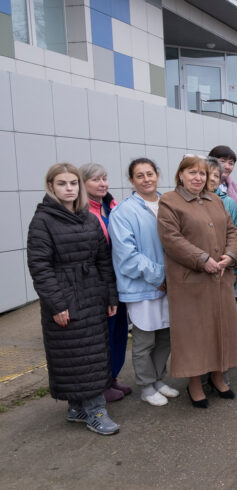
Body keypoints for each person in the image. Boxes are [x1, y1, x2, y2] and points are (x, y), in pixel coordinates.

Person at [26, 163, 120, 435]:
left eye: (73, 183)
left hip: (92, 294)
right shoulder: (43, 220)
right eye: (62, 184)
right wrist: (57, 304)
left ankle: (78, 408)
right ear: (51, 187)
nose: (69, 188)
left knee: (92, 352)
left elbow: (103, 259)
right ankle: (96, 410)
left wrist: (110, 294)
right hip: (65, 297)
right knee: (75, 355)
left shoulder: (88, 217)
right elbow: (40, 267)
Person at [157, 155, 237, 408]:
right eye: (192, 172)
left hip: (220, 277)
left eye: (202, 174)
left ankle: (218, 376)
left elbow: (231, 231)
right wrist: (202, 259)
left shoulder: (214, 199)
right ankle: (194, 383)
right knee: (195, 334)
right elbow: (171, 239)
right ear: (180, 175)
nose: (197, 177)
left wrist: (230, 254)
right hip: (190, 281)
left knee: (221, 328)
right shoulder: (170, 201)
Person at [108, 158, 179, 407]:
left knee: (166, 337)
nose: (146, 179)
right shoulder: (123, 212)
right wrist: (161, 276)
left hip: (170, 285)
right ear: (131, 181)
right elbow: (127, 256)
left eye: (150, 173)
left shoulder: (169, 203)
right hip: (142, 286)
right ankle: (146, 386)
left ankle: (158, 379)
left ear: (157, 175)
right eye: (140, 176)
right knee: (144, 340)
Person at [80, 162, 132, 403]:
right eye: (95, 180)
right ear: (83, 183)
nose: (102, 184)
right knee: (104, 334)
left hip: (118, 279)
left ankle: (112, 378)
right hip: (99, 284)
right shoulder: (81, 212)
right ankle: (101, 383)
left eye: (104, 178)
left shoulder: (112, 206)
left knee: (119, 331)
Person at [206, 157, 237, 366]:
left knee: (227, 319)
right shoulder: (183, 203)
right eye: (208, 174)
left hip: (228, 271)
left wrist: (235, 264)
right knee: (205, 323)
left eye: (216, 175)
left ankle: (227, 360)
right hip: (200, 273)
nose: (211, 179)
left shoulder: (228, 202)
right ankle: (208, 365)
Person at [210, 145, 237, 209]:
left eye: (231, 163)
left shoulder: (235, 188)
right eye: (222, 161)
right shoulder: (200, 185)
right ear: (210, 162)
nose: (227, 167)